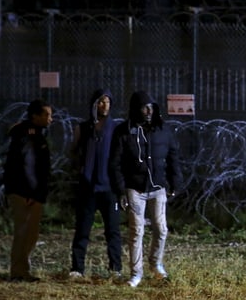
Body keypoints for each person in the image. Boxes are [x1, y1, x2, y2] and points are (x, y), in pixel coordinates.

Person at [110, 90, 181, 288]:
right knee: (136, 231)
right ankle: (136, 273)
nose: (148, 111)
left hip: (158, 187)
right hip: (135, 188)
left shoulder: (162, 130)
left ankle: (155, 263)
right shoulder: (123, 131)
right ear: (136, 109)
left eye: (151, 107)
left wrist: (175, 182)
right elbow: (114, 163)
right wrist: (121, 189)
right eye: (144, 107)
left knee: (161, 228)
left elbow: (173, 157)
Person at [68, 88, 122, 280]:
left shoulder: (116, 128)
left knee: (113, 231)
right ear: (94, 104)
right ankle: (77, 268)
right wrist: (81, 169)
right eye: (101, 101)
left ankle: (115, 268)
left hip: (109, 188)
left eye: (108, 101)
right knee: (82, 229)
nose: (105, 105)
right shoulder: (83, 128)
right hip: (88, 187)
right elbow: (73, 152)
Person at [3, 99, 53, 282]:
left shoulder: (35, 134)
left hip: (31, 191)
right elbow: (26, 164)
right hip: (24, 192)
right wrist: (31, 192)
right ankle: (18, 272)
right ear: (35, 116)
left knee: (30, 233)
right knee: (23, 231)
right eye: (46, 114)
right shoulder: (26, 135)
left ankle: (22, 270)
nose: (51, 119)